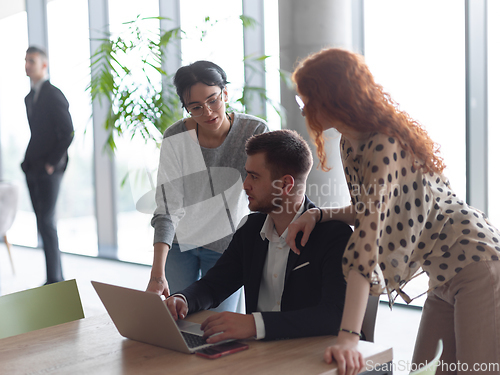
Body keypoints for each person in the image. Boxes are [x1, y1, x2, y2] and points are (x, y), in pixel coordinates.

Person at [288, 47, 500, 375]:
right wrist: (319, 214)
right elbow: (367, 210)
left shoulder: (384, 143)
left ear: (328, 96)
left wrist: (348, 337)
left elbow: (366, 242)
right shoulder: (349, 142)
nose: (303, 112)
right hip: (440, 272)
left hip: (474, 261)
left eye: (305, 101)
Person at [165, 129, 352, 342]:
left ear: (285, 185)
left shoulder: (334, 236)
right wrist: (183, 299)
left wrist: (256, 325)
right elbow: (214, 284)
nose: (245, 185)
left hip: (310, 357)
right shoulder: (251, 229)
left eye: (254, 176)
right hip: (257, 354)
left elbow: (335, 314)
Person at [147, 61, 269, 313]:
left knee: (218, 326)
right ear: (187, 108)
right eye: (196, 107)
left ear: (225, 93)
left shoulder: (255, 131)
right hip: (181, 244)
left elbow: (268, 191)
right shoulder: (176, 138)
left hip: (227, 245)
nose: (208, 112)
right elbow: (168, 207)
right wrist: (157, 273)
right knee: (179, 320)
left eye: (213, 100)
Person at [21, 46, 74, 285]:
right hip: (32, 167)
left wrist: (52, 164)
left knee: (47, 222)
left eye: (31, 60)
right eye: (25, 60)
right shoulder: (29, 98)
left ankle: (55, 278)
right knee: (41, 222)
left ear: (44, 65)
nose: (27, 65)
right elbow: (38, 134)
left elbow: (67, 133)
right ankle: (52, 277)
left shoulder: (54, 94)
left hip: (50, 169)